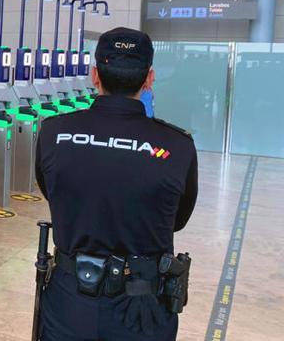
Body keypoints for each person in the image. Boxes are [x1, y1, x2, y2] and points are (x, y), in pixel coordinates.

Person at [35, 27, 198, 341]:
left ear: (94, 75)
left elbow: (51, 192)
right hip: (142, 309)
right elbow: (177, 220)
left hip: (69, 302)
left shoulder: (55, 133)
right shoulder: (177, 146)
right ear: (149, 79)